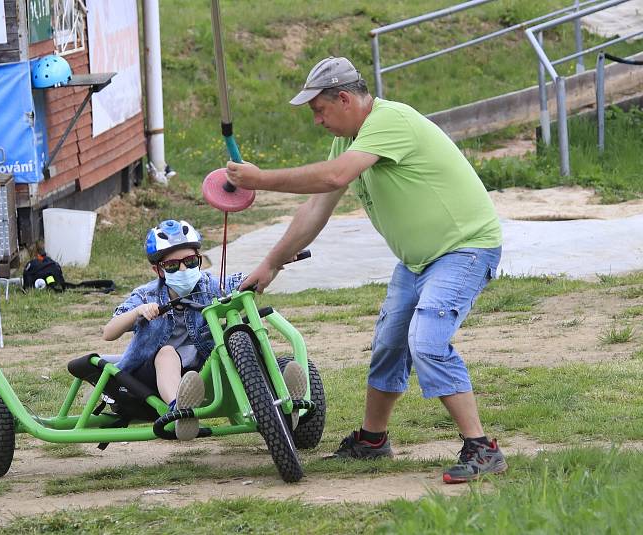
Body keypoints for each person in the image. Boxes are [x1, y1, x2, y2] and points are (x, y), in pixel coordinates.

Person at [225, 56, 506, 483]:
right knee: (390, 345)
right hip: (417, 261)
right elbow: (316, 209)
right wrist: (271, 263)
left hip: (464, 249)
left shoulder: (389, 120)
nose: (317, 121)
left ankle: (482, 449)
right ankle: (372, 441)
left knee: (426, 342)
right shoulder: (350, 140)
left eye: (319, 109)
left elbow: (334, 178)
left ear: (343, 98)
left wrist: (260, 179)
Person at [102, 219, 307, 441]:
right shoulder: (146, 295)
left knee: (236, 344)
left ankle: (283, 402)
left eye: (190, 262)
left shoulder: (209, 286)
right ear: (158, 270)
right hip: (152, 376)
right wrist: (138, 312)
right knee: (167, 352)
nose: (183, 269)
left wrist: (275, 264)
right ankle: (179, 411)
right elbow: (109, 332)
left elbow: (248, 284)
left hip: (202, 373)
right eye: (172, 265)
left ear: (199, 260)